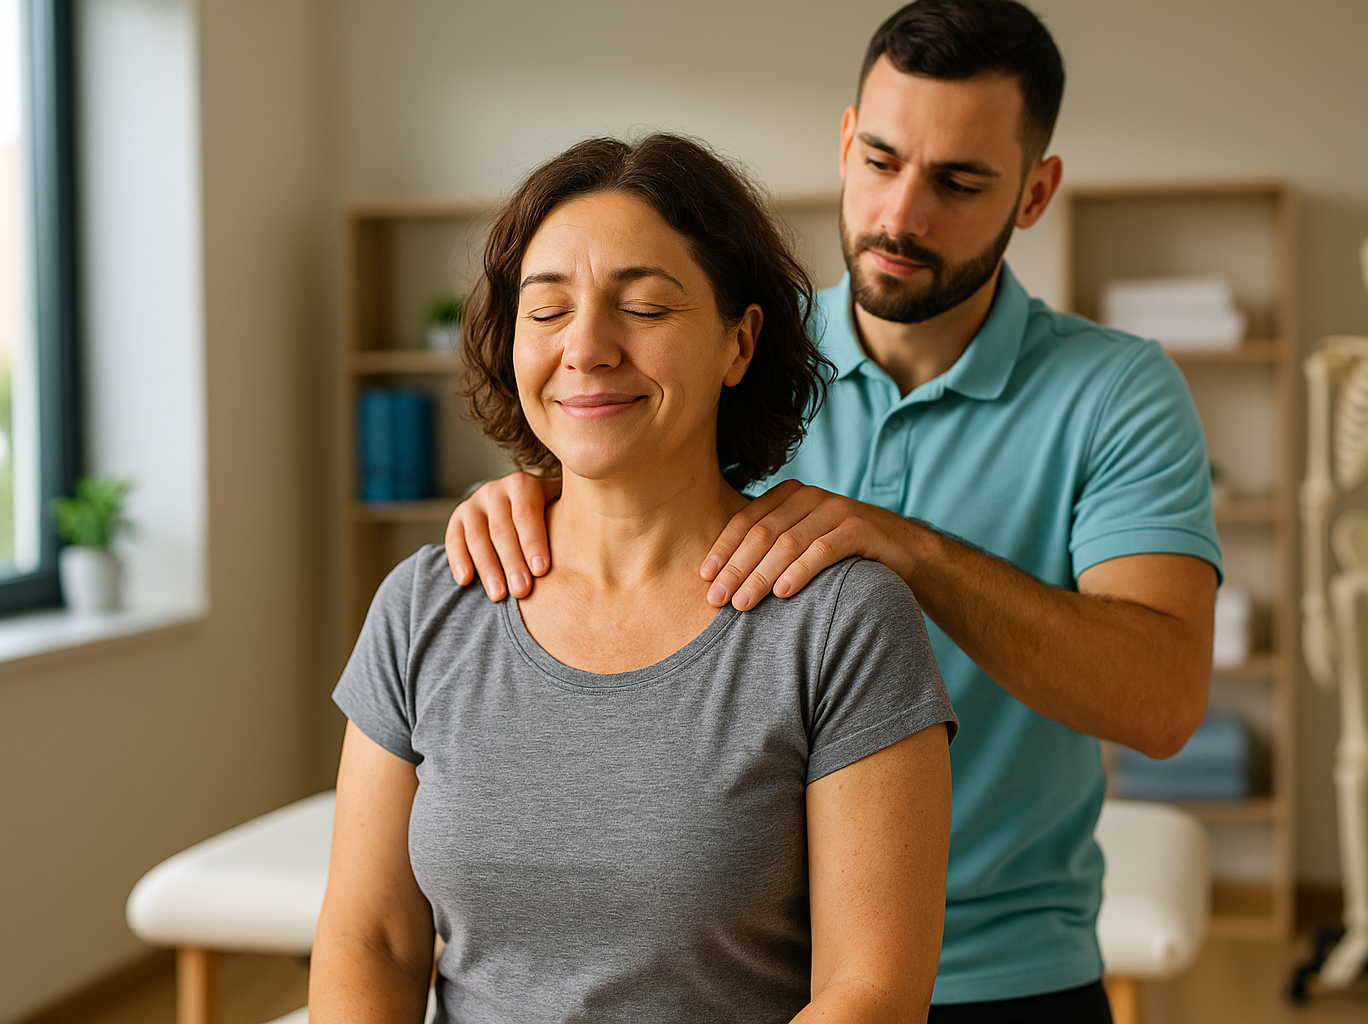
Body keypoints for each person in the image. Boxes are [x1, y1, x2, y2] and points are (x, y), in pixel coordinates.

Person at [446, 2, 1223, 1021]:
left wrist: (905, 548)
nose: (902, 214)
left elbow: (1160, 701)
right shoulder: (735, 355)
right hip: (748, 966)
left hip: (1003, 968)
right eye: (882, 161)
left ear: (1035, 192)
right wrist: (537, 489)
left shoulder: (1117, 390)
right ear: (846, 140)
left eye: (959, 182)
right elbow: (608, 465)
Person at [311, 134, 957, 1024]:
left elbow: (871, 991)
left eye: (646, 307)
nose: (587, 348)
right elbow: (369, 939)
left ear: (740, 342)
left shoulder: (841, 622)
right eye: (546, 312)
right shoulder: (427, 603)